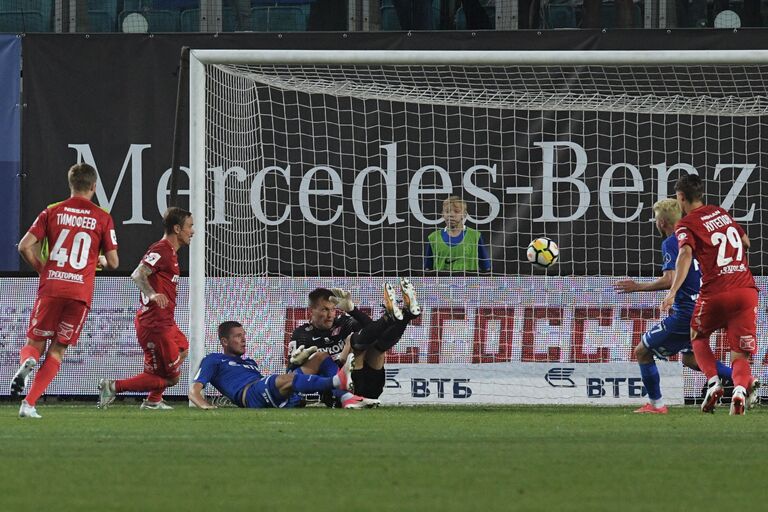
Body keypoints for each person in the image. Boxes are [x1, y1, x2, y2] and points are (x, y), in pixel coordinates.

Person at [11, 163, 119, 419]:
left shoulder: (52, 211)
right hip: (79, 293)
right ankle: (29, 404)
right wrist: (100, 260)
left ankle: (28, 363)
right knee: (58, 350)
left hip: (52, 286)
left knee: (34, 343)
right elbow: (113, 262)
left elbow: (24, 246)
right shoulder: (102, 217)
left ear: (71, 185)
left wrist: (42, 269)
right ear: (94, 187)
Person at [614, 198, 732, 414]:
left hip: (686, 313)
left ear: (661, 223)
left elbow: (669, 279)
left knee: (642, 352)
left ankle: (657, 405)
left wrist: (637, 287)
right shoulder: (698, 238)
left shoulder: (671, 242)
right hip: (706, 309)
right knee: (691, 359)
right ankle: (743, 378)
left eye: (656, 219)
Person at [662, 174, 760, 415]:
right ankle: (739, 390)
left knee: (697, 335)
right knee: (741, 354)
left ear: (681, 197)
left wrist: (673, 291)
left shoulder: (686, 224)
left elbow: (685, 253)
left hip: (716, 292)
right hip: (746, 291)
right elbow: (746, 242)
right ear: (701, 194)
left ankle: (714, 382)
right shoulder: (721, 213)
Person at [97, 207, 193, 410]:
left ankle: (153, 400)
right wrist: (152, 294)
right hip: (155, 324)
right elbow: (138, 274)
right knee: (171, 379)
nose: (192, 231)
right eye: (189, 227)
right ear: (177, 228)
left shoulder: (171, 253)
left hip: (165, 322)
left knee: (183, 348)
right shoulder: (162, 250)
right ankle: (113, 386)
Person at [289, 279, 421, 406]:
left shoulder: (343, 322)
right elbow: (290, 377)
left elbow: (372, 329)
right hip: (339, 391)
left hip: (371, 384)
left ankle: (406, 315)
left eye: (333, 309)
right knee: (353, 342)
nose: (330, 315)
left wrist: (352, 310)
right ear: (311, 311)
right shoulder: (302, 335)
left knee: (374, 345)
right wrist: (298, 362)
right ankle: (399, 317)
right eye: (324, 310)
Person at [188, 321, 355, 409]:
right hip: (250, 395)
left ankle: (346, 398)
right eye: (238, 336)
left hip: (265, 392)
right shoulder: (214, 359)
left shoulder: (249, 363)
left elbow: (277, 387)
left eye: (244, 335)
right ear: (224, 341)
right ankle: (337, 381)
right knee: (280, 379)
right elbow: (194, 391)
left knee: (320, 356)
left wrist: (293, 365)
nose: (244, 339)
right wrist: (204, 405)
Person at [424, 196, 491, 272]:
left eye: (456, 211)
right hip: (442, 283)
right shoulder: (433, 238)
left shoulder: (475, 236)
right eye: (447, 211)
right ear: (442, 214)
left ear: (464, 214)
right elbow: (428, 269)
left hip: (469, 283)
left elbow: (486, 268)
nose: (451, 215)